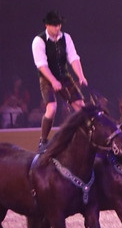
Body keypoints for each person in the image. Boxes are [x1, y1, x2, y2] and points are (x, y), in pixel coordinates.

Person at [31, 11, 89, 153]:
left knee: (80, 105)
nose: (58, 28)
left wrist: (81, 76)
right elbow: (41, 65)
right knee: (51, 108)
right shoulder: (39, 41)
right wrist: (53, 81)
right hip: (47, 77)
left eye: (59, 25)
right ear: (47, 25)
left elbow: (73, 58)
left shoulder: (66, 38)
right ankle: (43, 140)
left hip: (64, 75)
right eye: (54, 26)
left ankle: (84, 137)